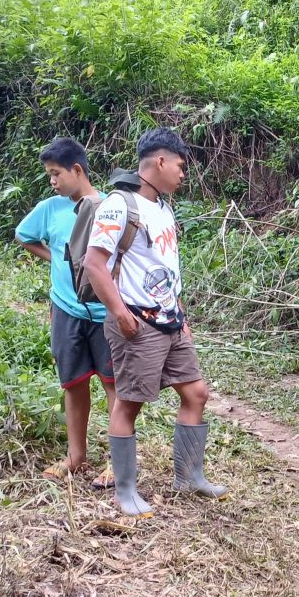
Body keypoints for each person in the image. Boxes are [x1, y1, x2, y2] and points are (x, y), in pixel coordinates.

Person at [83, 128, 225, 518]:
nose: (183, 174)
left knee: (196, 393)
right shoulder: (118, 205)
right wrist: (121, 314)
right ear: (160, 162)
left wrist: (181, 315)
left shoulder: (163, 208)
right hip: (137, 322)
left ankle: (189, 476)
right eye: (180, 166)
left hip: (170, 322)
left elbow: (166, 268)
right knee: (129, 404)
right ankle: (125, 492)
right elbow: (95, 264)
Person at [16, 137, 116, 488]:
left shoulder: (109, 207)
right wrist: (55, 259)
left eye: (56, 173)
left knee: (113, 384)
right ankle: (76, 455)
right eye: (49, 175)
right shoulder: (50, 208)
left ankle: (118, 461)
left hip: (106, 313)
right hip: (65, 310)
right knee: (73, 384)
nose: (53, 182)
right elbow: (24, 235)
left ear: (77, 169)